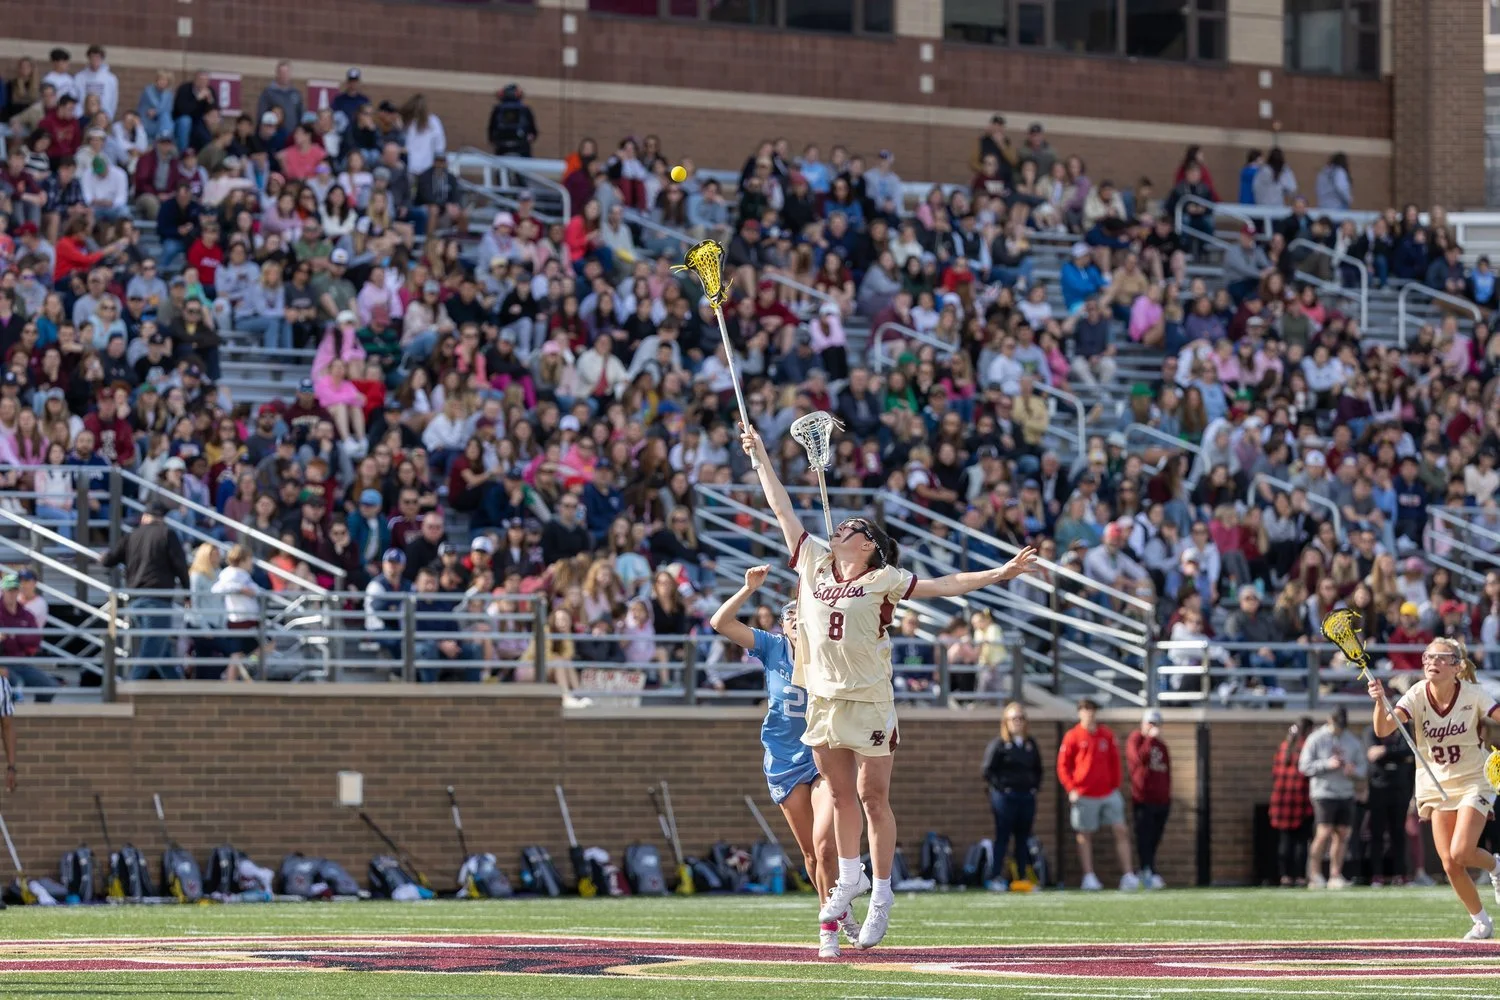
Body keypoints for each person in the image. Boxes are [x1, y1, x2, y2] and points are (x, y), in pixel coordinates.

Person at [741, 425, 1037, 949]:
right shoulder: (813, 562)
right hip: (824, 699)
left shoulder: (884, 579)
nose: (840, 529)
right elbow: (782, 508)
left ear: (869, 546)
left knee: (872, 796)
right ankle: (849, 877)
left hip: (870, 699)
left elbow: (945, 585)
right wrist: (761, 457)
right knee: (840, 794)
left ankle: (881, 894)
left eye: (852, 528)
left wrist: (998, 574)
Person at [709, 564, 858, 958]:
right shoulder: (772, 647)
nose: (794, 620)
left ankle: (828, 926)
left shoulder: (828, 650)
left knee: (825, 846)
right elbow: (720, 622)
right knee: (810, 853)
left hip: (821, 754)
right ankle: (838, 907)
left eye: (800, 615)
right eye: (789, 616)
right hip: (783, 760)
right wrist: (747, 589)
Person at [1369, 637, 1500, 939]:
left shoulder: (1473, 693)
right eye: (1428, 657)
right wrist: (1379, 700)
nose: (1432, 662)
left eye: (1441, 658)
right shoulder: (1417, 693)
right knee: (1450, 863)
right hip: (1436, 784)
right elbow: (1383, 729)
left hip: (1473, 780)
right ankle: (1481, 922)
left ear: (1457, 667)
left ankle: (1495, 866)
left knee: (1461, 850)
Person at [98, 501, 190, 680]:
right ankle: (130, 686)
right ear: (162, 519)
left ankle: (178, 687)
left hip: (135, 600)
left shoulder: (132, 535)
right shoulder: (167, 534)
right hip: (158, 599)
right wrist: (188, 593)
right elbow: (180, 565)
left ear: (144, 517)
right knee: (151, 650)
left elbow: (110, 560)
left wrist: (102, 558)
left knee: (161, 650)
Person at [1057, 697, 1139, 891]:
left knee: (1121, 829)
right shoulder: (1072, 736)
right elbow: (1063, 766)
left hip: (1107, 792)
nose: (1089, 713)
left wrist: (1115, 785)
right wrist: (1071, 788)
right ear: (1079, 712)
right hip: (1084, 793)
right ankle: (1089, 876)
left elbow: (1115, 762)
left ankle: (1128, 874)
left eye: (1092, 709)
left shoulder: (1106, 734)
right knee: (1084, 833)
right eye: (1085, 709)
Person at [1298, 705, 1366, 889]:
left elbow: (1363, 768)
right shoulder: (1316, 739)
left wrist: (1353, 770)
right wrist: (1327, 764)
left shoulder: (1352, 741)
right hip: (1323, 792)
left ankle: (1335, 875)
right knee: (1324, 832)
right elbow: (1304, 766)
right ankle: (1314, 874)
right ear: (1329, 720)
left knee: (1342, 833)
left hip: (1345, 792)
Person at [981, 701, 1042, 890]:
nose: (1017, 722)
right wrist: (1001, 788)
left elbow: (1038, 769)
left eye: (1021, 718)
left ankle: (1020, 876)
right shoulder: (999, 744)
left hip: (1026, 796)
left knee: (1023, 838)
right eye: (1014, 718)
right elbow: (988, 770)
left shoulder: (1030, 744)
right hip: (1005, 798)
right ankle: (996, 876)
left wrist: (1033, 787)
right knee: (1003, 837)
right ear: (1006, 721)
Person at [1363, 681, 1415, 886]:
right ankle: (1376, 874)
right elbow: (1371, 755)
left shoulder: (1403, 728)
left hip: (1400, 787)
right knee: (1377, 833)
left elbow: (1408, 751)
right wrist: (1395, 755)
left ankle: (1400, 873)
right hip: (1379, 787)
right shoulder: (1371, 730)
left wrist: (1385, 751)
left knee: (1398, 832)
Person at [1126, 708, 1171, 890]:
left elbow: (1166, 772)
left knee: (1154, 839)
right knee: (1144, 838)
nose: (1153, 727)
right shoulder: (1136, 739)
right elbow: (1138, 759)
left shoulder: (1161, 745)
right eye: (1150, 723)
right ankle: (1147, 871)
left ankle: (1149, 870)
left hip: (1162, 800)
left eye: (1156, 724)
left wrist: (1167, 796)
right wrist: (1150, 740)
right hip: (1144, 799)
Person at [1270, 717, 1315, 887]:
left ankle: (1285, 876)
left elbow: (1275, 773)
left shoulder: (1284, 747)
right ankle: (1300, 876)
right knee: (1301, 842)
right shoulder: (1306, 747)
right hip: (1300, 800)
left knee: (1285, 841)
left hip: (1281, 800)